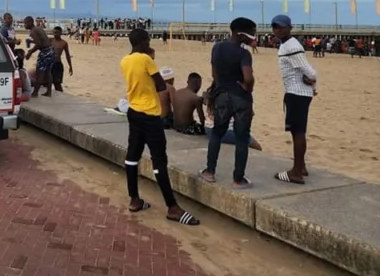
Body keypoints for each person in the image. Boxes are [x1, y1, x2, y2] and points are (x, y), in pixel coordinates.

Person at [120, 29, 199, 226]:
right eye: (148, 40)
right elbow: (161, 86)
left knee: (132, 157)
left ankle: (134, 199)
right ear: (142, 42)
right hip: (150, 114)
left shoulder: (125, 60)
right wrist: (151, 58)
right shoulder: (146, 60)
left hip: (134, 111)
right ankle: (172, 207)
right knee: (159, 161)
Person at [200, 17, 257, 189]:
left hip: (222, 96)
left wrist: (221, 87)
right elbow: (248, 77)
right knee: (242, 137)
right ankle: (238, 179)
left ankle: (210, 172)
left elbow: (214, 73)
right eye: (252, 33)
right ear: (241, 34)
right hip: (241, 98)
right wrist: (248, 87)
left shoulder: (217, 48)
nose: (253, 37)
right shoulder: (243, 54)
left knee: (217, 133)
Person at [271, 14, 318, 184]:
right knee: (297, 131)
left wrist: (312, 81)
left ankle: (296, 172)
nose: (278, 29)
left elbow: (310, 72)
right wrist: (312, 85)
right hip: (297, 93)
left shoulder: (290, 46)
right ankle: (302, 166)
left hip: (297, 94)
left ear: (290, 28)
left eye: (282, 26)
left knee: (298, 132)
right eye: (275, 26)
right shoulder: (288, 44)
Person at [24, 16, 54, 97]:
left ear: (30, 22)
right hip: (50, 51)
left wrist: (30, 53)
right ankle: (49, 91)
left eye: (25, 23)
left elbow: (39, 44)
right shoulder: (38, 28)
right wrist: (31, 41)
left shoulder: (33, 31)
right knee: (48, 72)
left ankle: (35, 92)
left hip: (44, 52)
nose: (24, 25)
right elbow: (42, 40)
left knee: (39, 73)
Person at [50, 26, 73, 92]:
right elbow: (40, 43)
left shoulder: (63, 43)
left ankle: (62, 96)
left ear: (60, 33)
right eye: (54, 32)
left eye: (57, 33)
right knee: (47, 82)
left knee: (57, 83)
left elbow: (67, 55)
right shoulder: (50, 40)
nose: (55, 34)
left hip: (57, 65)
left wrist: (70, 66)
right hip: (49, 64)